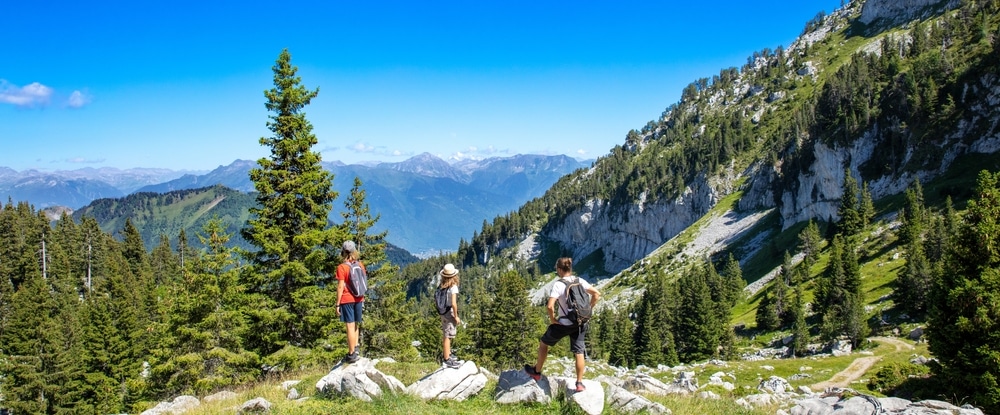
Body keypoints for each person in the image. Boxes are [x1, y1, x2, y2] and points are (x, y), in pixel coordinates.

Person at [524, 257, 600, 392]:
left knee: (543, 343)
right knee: (579, 351)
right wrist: (589, 309)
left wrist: (553, 319)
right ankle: (579, 383)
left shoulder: (559, 284)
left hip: (564, 323)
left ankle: (537, 371)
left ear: (559, 269)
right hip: (580, 322)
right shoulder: (579, 281)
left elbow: (549, 306)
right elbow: (596, 294)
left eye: (556, 269)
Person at [336, 240, 365, 363]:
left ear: (343, 252)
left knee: (349, 325)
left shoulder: (342, 267)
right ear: (354, 251)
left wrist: (337, 303)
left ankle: (351, 353)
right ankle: (356, 346)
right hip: (359, 298)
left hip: (347, 299)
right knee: (356, 324)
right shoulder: (360, 265)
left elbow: (340, 286)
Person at [438, 263, 463, 369]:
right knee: (448, 336)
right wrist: (456, 316)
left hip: (443, 312)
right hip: (449, 313)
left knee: (446, 334)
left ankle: (448, 355)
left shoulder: (442, 285)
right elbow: (453, 303)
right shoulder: (453, 287)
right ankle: (447, 359)